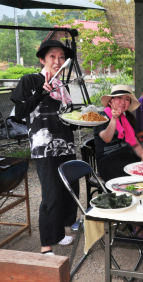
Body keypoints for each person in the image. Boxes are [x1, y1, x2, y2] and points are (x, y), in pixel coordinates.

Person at [10, 40, 79, 255]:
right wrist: (39, 92)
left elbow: (68, 116)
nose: (57, 61)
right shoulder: (30, 80)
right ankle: (46, 245)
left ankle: (60, 232)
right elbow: (20, 113)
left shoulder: (61, 85)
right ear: (42, 59)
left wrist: (81, 119)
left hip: (66, 145)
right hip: (44, 148)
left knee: (69, 190)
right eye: (52, 56)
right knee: (51, 195)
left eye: (61, 57)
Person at [94, 85, 143, 183]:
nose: (123, 102)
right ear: (111, 100)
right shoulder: (101, 116)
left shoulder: (125, 119)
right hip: (108, 161)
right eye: (119, 97)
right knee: (136, 180)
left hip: (126, 158)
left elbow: (134, 144)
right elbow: (106, 138)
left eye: (127, 99)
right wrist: (114, 119)